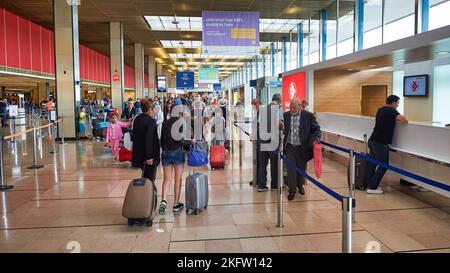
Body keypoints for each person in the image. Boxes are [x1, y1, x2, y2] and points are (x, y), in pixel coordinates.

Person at [366, 95, 409, 194]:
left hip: (372, 140)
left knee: (372, 164)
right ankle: (372, 187)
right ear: (393, 103)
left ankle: (369, 184)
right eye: (397, 103)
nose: (398, 105)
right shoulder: (391, 111)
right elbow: (405, 120)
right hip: (380, 142)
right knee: (383, 165)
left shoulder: (380, 110)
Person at [159, 105, 196, 215]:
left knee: (166, 179)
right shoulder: (181, 123)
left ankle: (164, 200)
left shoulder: (165, 123)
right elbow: (181, 140)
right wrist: (190, 142)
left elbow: (161, 140)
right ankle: (176, 204)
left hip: (165, 153)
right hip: (177, 153)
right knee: (178, 179)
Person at [283, 98, 321, 201]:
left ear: (300, 106)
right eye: (290, 107)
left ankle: (300, 186)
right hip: (290, 147)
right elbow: (286, 131)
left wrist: (316, 139)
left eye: (294, 107)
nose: (291, 109)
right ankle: (292, 191)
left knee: (301, 169)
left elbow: (316, 129)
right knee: (291, 170)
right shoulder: (286, 115)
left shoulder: (308, 116)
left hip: (302, 148)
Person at [257, 94, 283, 192]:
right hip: (273, 140)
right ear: (279, 101)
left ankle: (261, 185)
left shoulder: (262, 109)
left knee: (262, 163)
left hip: (262, 140)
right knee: (274, 164)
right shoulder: (278, 109)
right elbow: (279, 124)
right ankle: (275, 185)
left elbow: (258, 124)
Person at [131, 100, 160, 182]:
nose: (155, 112)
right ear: (150, 109)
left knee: (145, 177)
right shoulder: (151, 121)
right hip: (148, 156)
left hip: (139, 153)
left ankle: (145, 192)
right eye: (154, 110)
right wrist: (149, 157)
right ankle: (148, 193)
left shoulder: (137, 119)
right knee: (150, 179)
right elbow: (148, 140)